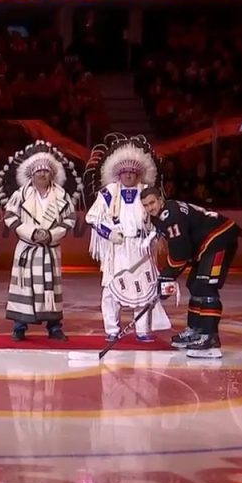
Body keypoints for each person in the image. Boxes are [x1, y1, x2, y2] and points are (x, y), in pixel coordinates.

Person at [83, 133, 171, 342]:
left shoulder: (146, 192)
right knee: (111, 290)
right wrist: (109, 234)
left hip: (141, 248)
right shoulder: (109, 192)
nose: (129, 175)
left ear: (139, 173)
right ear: (118, 174)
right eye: (125, 172)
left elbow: (159, 217)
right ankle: (112, 330)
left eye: (133, 172)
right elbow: (91, 217)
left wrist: (152, 236)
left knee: (144, 288)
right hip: (118, 248)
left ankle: (142, 330)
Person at [0, 140, 84, 341]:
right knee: (24, 287)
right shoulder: (21, 194)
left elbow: (70, 219)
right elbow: (10, 216)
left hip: (49, 250)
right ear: (32, 174)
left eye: (46, 171)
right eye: (38, 172)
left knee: (50, 288)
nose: (42, 174)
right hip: (28, 249)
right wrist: (32, 233)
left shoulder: (61, 195)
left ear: (51, 173)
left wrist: (50, 235)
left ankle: (54, 327)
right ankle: (19, 326)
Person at [141, 187, 240, 359]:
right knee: (194, 284)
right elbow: (180, 249)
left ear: (160, 199)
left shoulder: (170, 215)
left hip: (219, 238)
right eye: (146, 205)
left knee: (205, 285)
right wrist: (167, 275)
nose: (150, 208)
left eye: (152, 203)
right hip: (207, 244)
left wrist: (166, 276)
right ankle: (196, 330)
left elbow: (180, 254)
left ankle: (210, 338)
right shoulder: (161, 215)